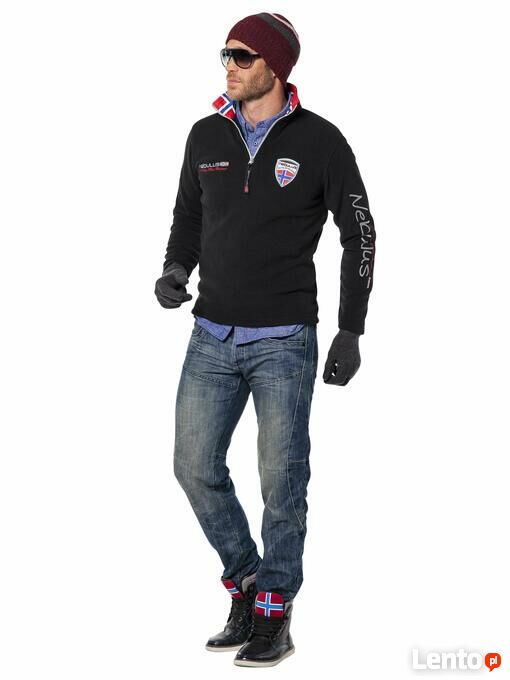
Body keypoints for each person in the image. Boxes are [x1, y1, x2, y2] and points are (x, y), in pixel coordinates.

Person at [154, 12, 376, 667]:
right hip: (211, 337)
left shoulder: (321, 141)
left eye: (242, 55)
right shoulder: (205, 134)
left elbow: (360, 233)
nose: (229, 64)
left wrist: (351, 329)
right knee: (193, 467)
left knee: (283, 483)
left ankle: (275, 613)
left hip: (284, 340)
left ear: (275, 67)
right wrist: (175, 269)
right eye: (225, 53)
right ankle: (248, 583)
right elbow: (188, 216)